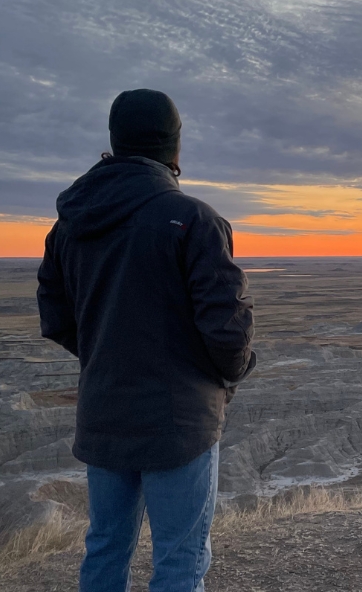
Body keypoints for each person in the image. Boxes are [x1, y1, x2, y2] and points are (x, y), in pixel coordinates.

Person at [37, 89, 256, 592]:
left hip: (105, 410)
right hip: (180, 421)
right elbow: (229, 329)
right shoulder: (194, 221)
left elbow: (56, 316)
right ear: (175, 150)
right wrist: (224, 377)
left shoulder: (68, 226)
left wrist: (106, 353)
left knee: (106, 548)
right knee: (179, 561)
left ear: (114, 142)